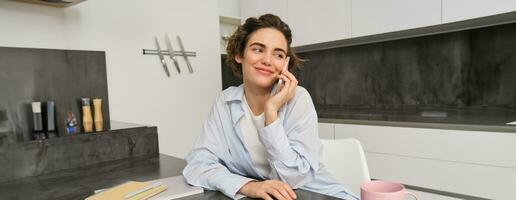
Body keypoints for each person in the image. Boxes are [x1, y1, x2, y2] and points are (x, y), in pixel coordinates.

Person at [183, 14, 358, 200]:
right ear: (239, 54)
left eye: (278, 54)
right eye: (258, 49)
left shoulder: (299, 99)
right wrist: (248, 186)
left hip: (320, 195)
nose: (268, 60)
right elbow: (198, 164)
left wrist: (271, 111)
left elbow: (295, 178)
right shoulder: (225, 102)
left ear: (285, 64)